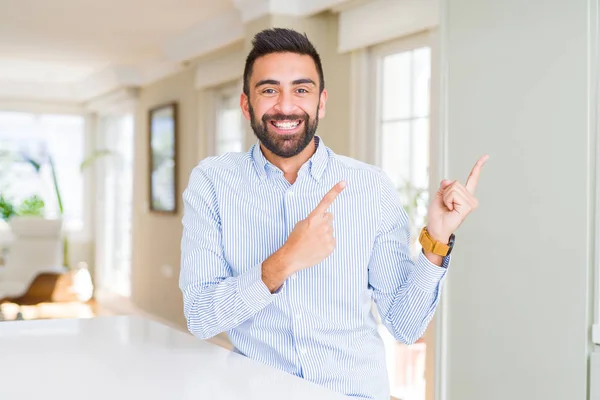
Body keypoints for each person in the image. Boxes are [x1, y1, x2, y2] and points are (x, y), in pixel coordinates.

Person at [179, 27, 487, 400]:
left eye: (302, 90)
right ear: (247, 104)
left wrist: (437, 240)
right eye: (269, 90)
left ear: (321, 102)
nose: (286, 106)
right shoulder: (212, 183)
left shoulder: (370, 187)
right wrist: (283, 262)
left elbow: (405, 326)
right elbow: (200, 316)